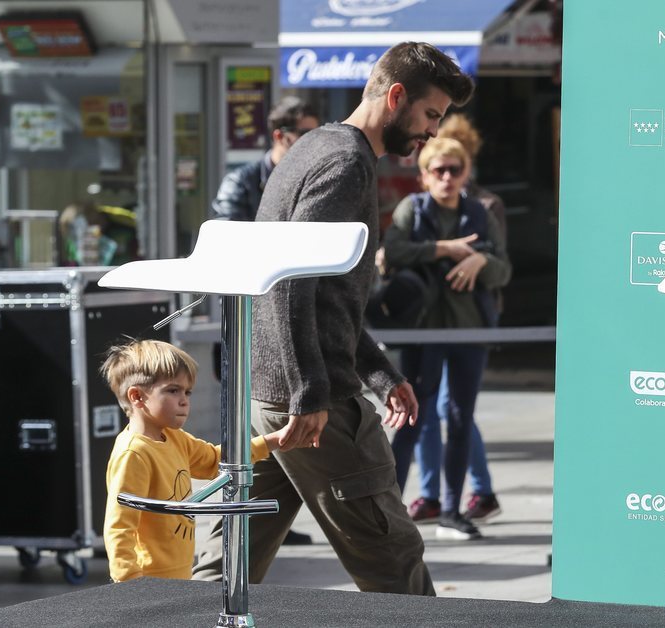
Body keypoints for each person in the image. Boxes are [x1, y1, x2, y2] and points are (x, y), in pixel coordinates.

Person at [193, 42, 474, 595]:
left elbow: (328, 298)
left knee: (228, 562)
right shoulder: (346, 161)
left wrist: (380, 374)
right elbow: (288, 280)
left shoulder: (315, 145)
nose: (432, 133)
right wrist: (310, 392)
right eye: (431, 115)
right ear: (396, 96)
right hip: (304, 403)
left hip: (269, 396)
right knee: (392, 557)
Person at [384, 137, 511, 540]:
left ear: (465, 174)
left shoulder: (479, 211)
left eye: (454, 169)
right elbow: (393, 251)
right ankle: (388, 513)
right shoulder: (412, 209)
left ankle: (452, 512)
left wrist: (480, 260)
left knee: (459, 418)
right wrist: (443, 249)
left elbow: (504, 270)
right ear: (423, 176)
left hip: (469, 331)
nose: (446, 177)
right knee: (410, 420)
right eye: (438, 170)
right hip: (421, 332)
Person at [209, 97, 321, 546]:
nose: (312, 147)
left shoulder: (306, 179)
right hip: (248, 317)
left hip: (287, 315)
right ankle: (237, 513)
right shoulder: (242, 181)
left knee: (272, 427)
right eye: (304, 137)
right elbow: (232, 240)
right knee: (242, 419)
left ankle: (273, 517)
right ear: (280, 136)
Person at [100, 339, 292, 582]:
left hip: (180, 573)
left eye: (187, 392)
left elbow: (214, 460)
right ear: (137, 396)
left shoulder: (174, 438)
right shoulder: (134, 454)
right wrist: (129, 581)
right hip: (147, 579)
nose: (184, 400)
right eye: (173, 390)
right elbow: (119, 526)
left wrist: (271, 442)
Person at [210, 96, 320, 222]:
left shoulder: (315, 178)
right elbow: (226, 231)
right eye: (305, 134)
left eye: (317, 134)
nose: (313, 141)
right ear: (279, 136)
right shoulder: (240, 182)